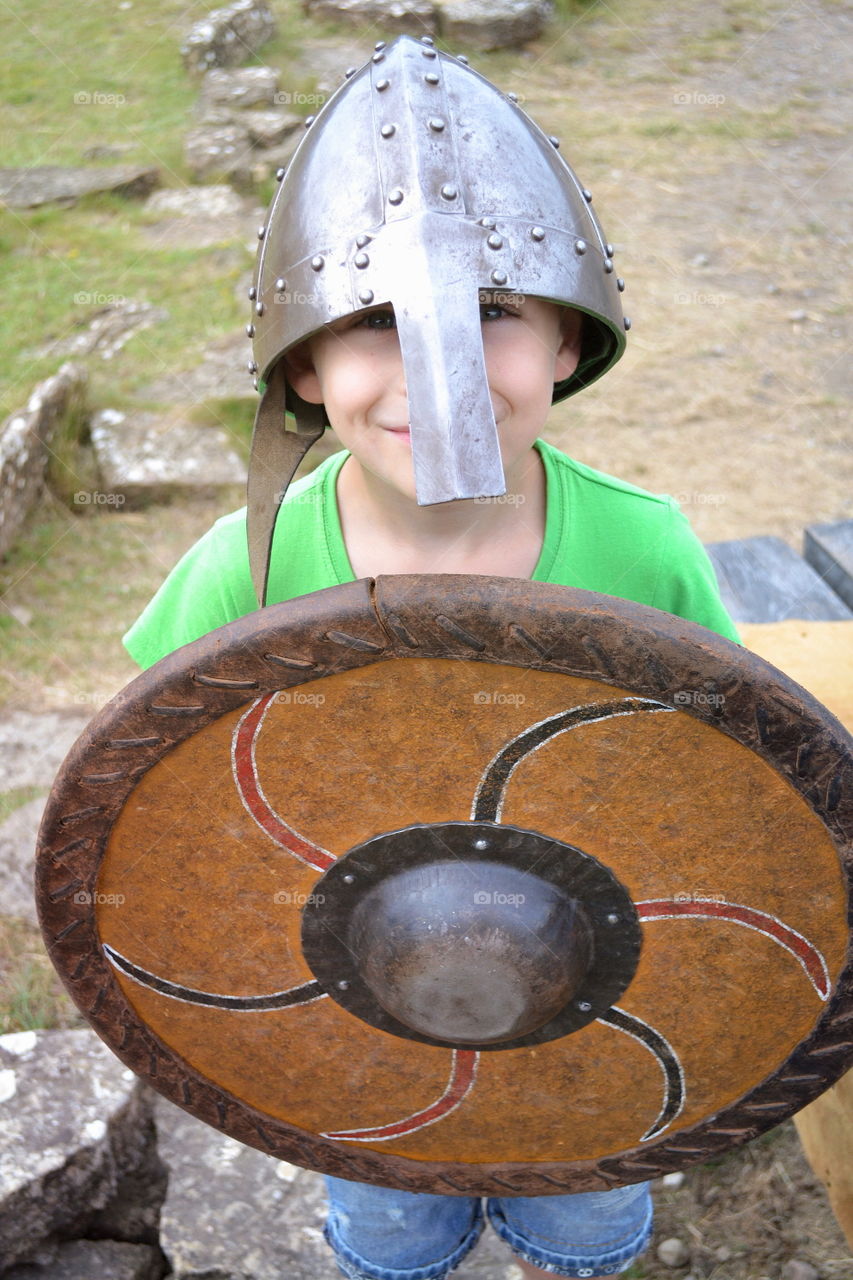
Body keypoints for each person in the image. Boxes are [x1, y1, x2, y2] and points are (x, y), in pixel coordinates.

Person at [124, 34, 738, 1280]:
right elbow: (149, 787)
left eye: (492, 313)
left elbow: (726, 790)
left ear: (570, 341)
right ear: (305, 364)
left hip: (591, 999)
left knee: (579, 1225)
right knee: (389, 1225)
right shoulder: (238, 573)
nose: (438, 364)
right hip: (345, 1001)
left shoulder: (643, 548)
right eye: (374, 322)